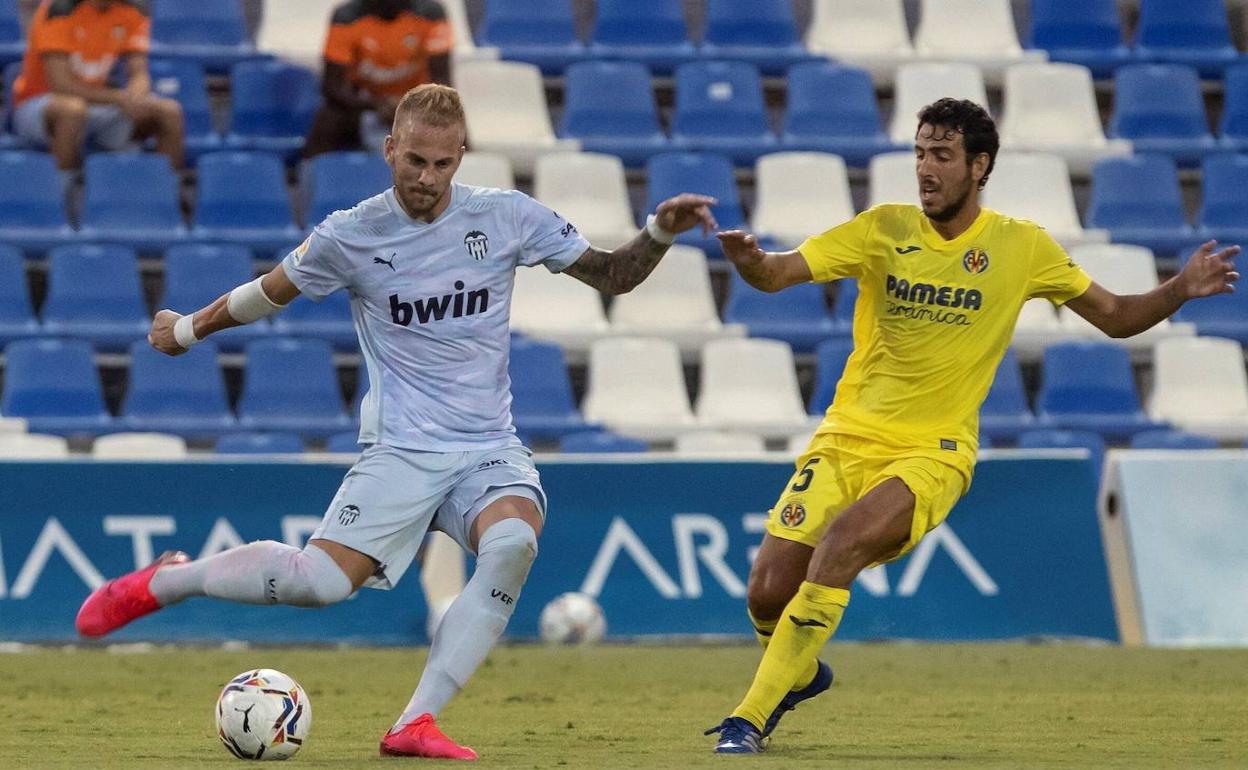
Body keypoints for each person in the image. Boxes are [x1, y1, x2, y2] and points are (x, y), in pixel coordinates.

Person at [75, 82, 716, 760]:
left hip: (486, 446)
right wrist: (185, 331)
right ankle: (169, 579)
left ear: (461, 156)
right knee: (317, 585)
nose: (427, 179)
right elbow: (269, 293)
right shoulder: (352, 234)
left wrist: (660, 232)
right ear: (389, 151)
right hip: (402, 449)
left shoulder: (507, 217)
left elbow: (613, 276)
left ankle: (415, 722)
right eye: (414, 161)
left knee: (512, 545)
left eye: (442, 164)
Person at [704, 98, 1240, 754]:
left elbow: (1117, 316)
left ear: (978, 166)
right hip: (846, 436)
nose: (925, 169)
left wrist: (1179, 289)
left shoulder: (1022, 247)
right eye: (920, 153)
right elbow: (778, 273)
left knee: (840, 545)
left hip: (935, 450)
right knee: (766, 593)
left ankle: (747, 720)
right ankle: (800, 670)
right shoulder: (882, 228)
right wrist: (750, 260)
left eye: (942, 155)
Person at [12, 0, 184, 169]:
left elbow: (139, 72)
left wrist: (136, 96)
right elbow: (61, 85)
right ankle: (61, 189)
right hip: (39, 104)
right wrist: (119, 98)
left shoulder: (133, 10)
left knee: (168, 111)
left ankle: (167, 191)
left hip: (98, 105)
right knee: (72, 110)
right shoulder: (58, 8)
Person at [302, 0, 452, 158]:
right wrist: (377, 105)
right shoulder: (346, 17)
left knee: (449, 114)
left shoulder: (431, 13)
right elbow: (331, 87)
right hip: (363, 101)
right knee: (329, 118)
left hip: (416, 101)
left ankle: (461, 171)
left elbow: (442, 81)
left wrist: (408, 107)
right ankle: (309, 174)